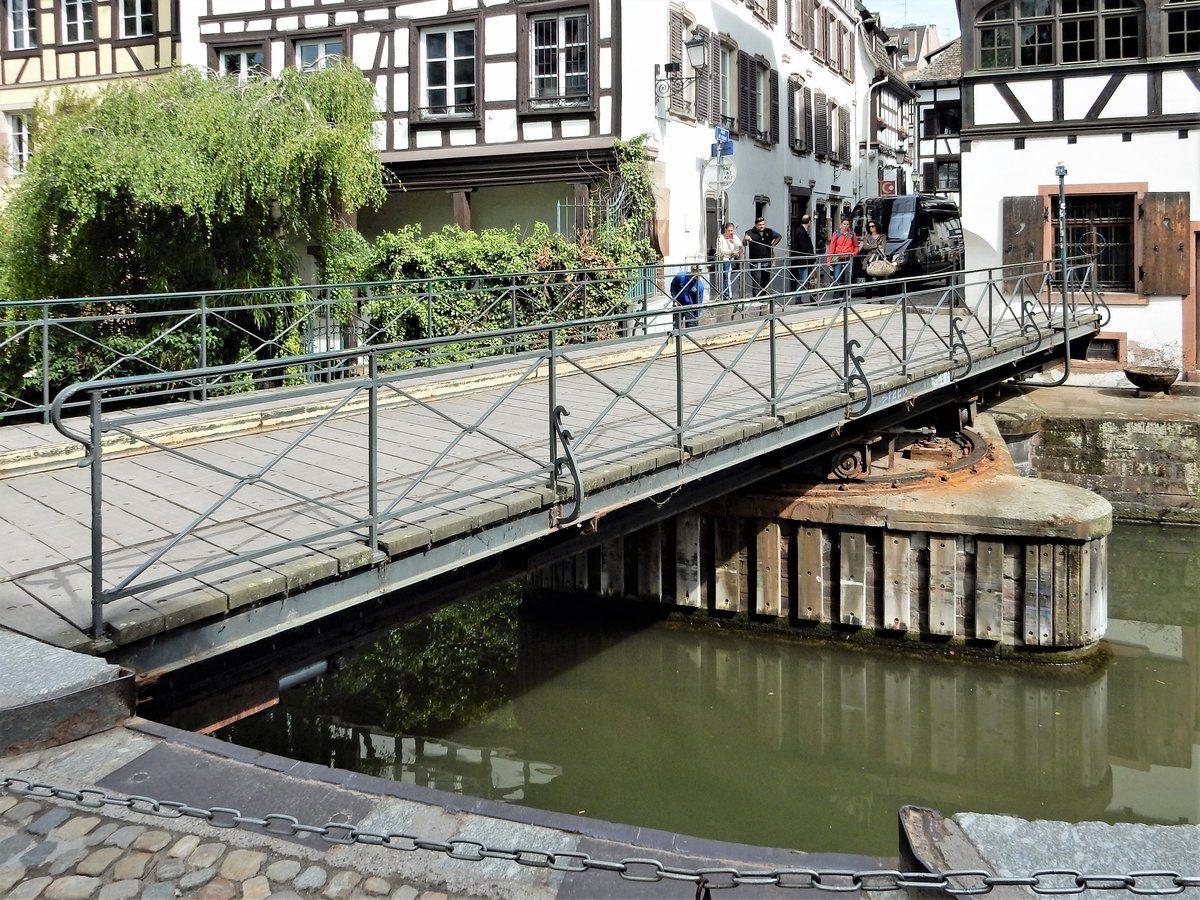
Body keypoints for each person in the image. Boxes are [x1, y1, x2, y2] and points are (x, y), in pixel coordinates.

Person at [743, 217, 782, 296]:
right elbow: (744, 243)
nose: (762, 226)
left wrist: (772, 246)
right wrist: (746, 239)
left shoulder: (769, 231)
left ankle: (763, 299)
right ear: (756, 225)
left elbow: (779, 236)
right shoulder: (750, 232)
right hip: (755, 261)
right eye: (760, 225)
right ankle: (756, 299)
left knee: (765, 280)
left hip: (767, 260)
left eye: (763, 224)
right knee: (757, 280)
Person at [825, 217, 859, 300]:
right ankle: (836, 298)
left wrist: (854, 253)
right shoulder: (836, 233)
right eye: (844, 224)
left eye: (847, 224)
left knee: (847, 278)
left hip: (848, 258)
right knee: (837, 277)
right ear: (841, 224)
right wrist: (829, 259)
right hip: (838, 258)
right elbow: (832, 247)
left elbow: (856, 246)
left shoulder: (852, 234)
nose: (846, 226)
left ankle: (846, 297)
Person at [858, 219, 886, 299]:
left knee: (880, 280)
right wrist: (876, 246)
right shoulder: (867, 236)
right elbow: (865, 246)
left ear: (876, 226)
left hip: (879, 259)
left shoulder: (882, 236)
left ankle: (882, 299)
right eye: (869, 226)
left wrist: (870, 246)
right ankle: (868, 299)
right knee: (868, 280)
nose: (871, 228)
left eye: (873, 226)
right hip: (869, 260)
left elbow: (883, 247)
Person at [715, 222, 742, 302]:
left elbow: (740, 244)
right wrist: (730, 252)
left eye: (732, 231)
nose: (730, 232)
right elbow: (720, 251)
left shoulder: (734, 236)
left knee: (728, 277)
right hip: (724, 259)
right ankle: (726, 295)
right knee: (725, 277)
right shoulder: (721, 238)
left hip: (731, 259)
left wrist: (734, 242)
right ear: (725, 230)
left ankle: (728, 295)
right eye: (729, 231)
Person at [791, 213, 815, 300]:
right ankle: (798, 298)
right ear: (808, 222)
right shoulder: (801, 232)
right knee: (803, 280)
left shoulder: (802, 231)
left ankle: (809, 297)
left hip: (805, 260)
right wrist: (811, 257)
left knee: (805, 279)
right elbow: (804, 247)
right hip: (803, 260)